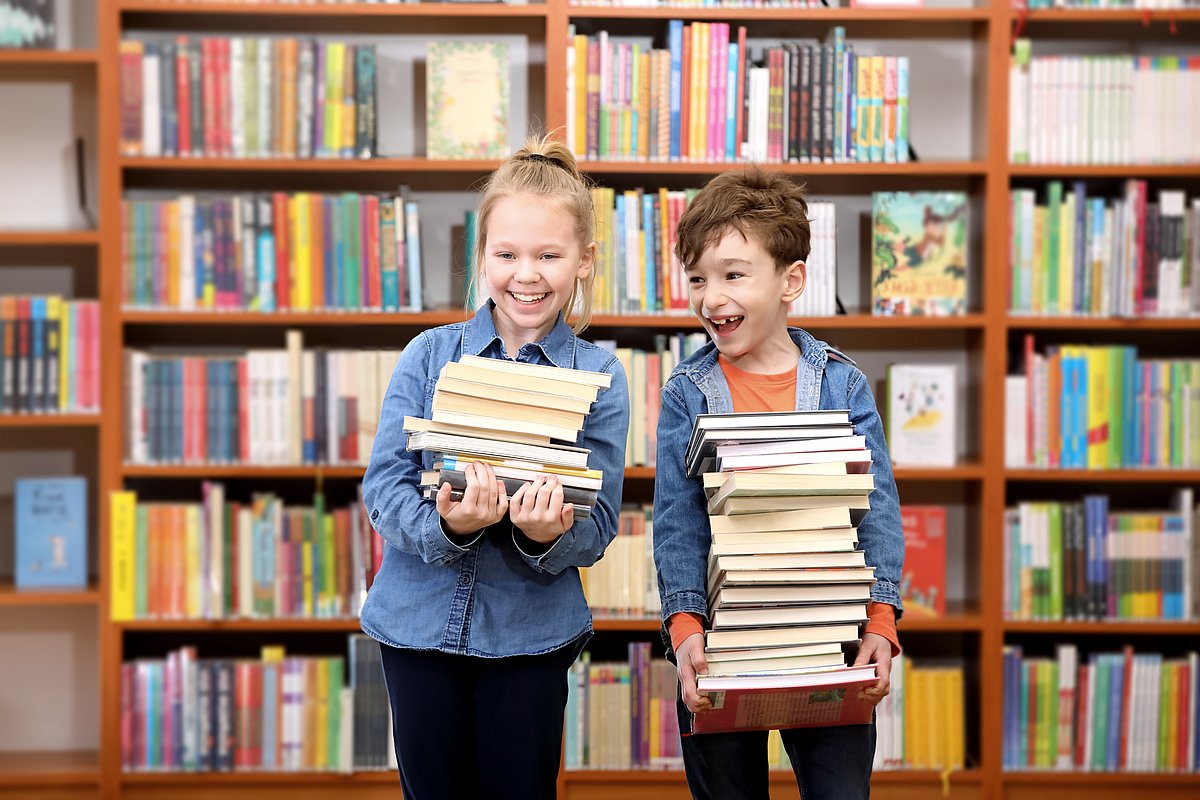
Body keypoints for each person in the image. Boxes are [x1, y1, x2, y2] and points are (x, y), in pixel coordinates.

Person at [360, 136, 629, 800]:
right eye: (506, 254)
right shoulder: (429, 355)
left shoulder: (599, 374)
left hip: (531, 640)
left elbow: (599, 523)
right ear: (481, 258)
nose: (526, 274)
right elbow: (384, 484)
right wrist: (448, 528)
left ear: (584, 261)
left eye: (548, 255)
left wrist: (547, 536)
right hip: (417, 630)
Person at [652, 168, 904, 800]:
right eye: (698, 279)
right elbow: (677, 522)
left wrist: (880, 618)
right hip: (723, 648)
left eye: (734, 274)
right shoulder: (687, 393)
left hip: (831, 645)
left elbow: (875, 510)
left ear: (791, 280)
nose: (712, 298)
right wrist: (685, 630)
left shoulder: (840, 384)